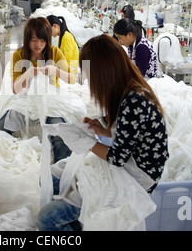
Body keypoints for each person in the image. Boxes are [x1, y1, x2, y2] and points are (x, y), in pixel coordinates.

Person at [37, 34, 169, 231]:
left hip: (138, 176)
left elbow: (118, 158)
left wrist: (86, 141)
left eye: (90, 75)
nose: (90, 81)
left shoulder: (134, 101)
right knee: (50, 177)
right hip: (131, 162)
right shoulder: (129, 90)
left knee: (46, 219)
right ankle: (78, 219)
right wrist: (103, 130)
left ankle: (75, 219)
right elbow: (130, 136)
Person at [0, 17, 75, 162]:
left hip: (50, 101)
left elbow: (71, 79)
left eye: (42, 40)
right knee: (0, 129)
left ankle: (61, 172)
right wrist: (27, 74)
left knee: (58, 136)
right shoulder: (19, 55)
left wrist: (55, 70)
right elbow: (15, 89)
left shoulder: (55, 52)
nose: (38, 45)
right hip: (25, 100)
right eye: (34, 40)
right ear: (27, 39)